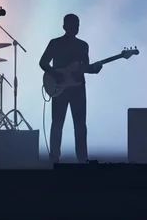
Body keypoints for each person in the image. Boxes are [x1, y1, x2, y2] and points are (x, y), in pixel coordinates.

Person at [39, 14, 102, 163]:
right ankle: (55, 156)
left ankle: (82, 158)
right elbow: (43, 63)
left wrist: (94, 69)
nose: (77, 27)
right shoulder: (55, 43)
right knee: (58, 123)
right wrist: (56, 74)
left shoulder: (83, 45)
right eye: (74, 24)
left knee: (79, 125)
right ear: (65, 26)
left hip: (78, 88)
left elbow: (84, 67)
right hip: (60, 88)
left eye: (78, 24)